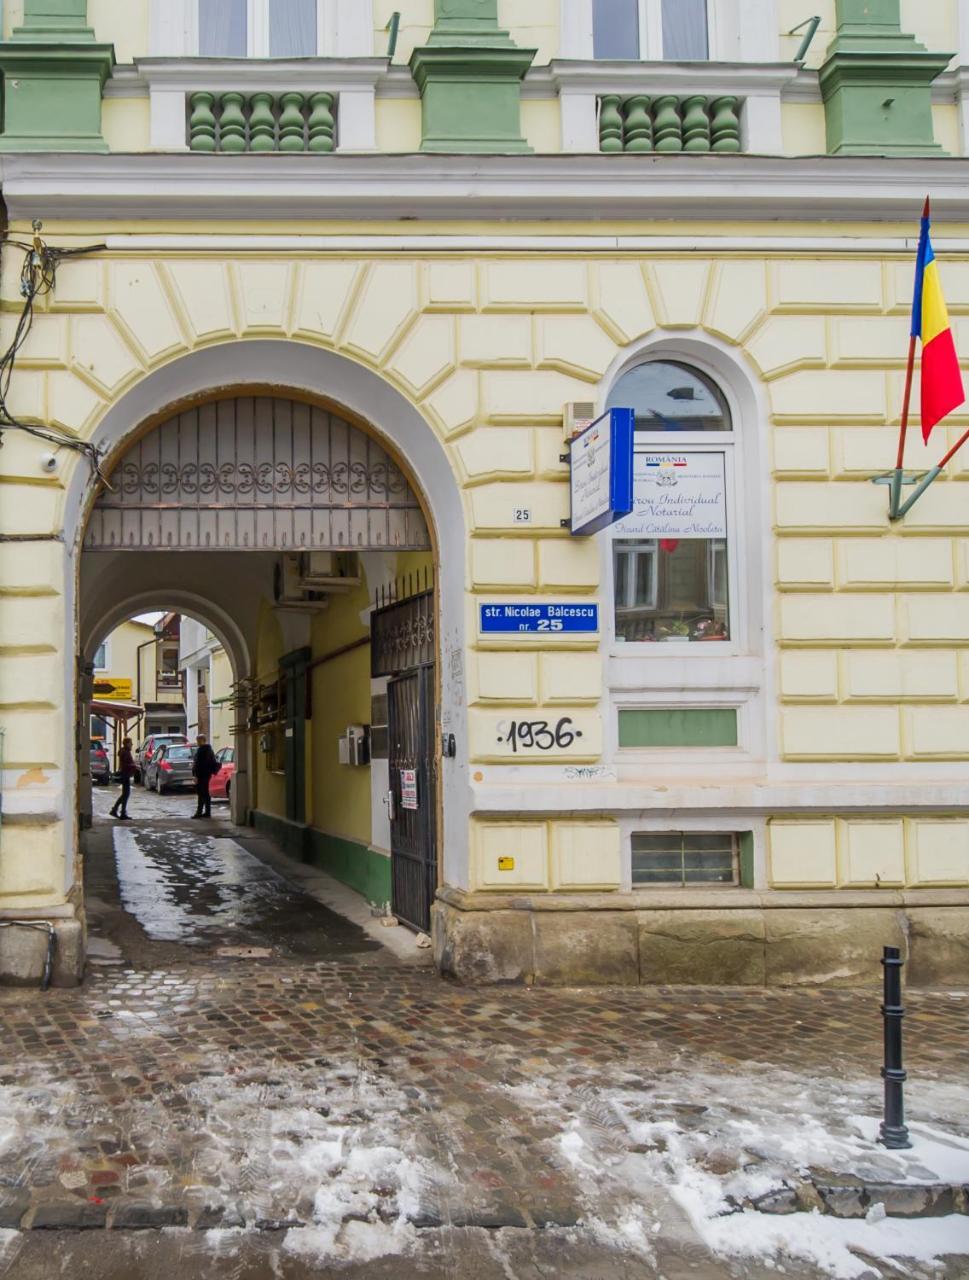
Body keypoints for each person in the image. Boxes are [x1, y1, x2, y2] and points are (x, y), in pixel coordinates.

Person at [191, 734, 219, 819]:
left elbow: (200, 764)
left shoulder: (203, 750)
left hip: (202, 775)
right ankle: (207, 812)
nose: (197, 742)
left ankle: (199, 812)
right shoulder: (209, 750)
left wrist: (196, 775)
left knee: (201, 793)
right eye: (197, 740)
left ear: (203, 740)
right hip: (206, 774)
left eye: (199, 741)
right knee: (205, 793)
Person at [109, 737, 136, 820]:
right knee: (126, 794)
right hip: (125, 775)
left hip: (125, 774)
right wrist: (134, 765)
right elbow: (125, 765)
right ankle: (118, 811)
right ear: (127, 744)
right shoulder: (125, 752)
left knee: (125, 794)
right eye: (130, 743)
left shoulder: (124, 751)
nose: (132, 745)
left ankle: (120, 811)